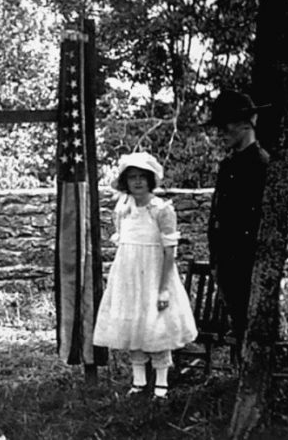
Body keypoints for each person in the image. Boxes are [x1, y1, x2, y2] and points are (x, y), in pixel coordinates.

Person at [93, 152, 198, 399]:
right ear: (125, 182)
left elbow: (169, 253)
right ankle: (138, 382)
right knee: (133, 326)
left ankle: (161, 384)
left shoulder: (161, 210)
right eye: (132, 178)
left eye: (142, 177)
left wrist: (163, 288)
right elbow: (124, 245)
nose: (137, 182)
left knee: (156, 327)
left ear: (150, 180)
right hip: (129, 277)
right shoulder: (123, 209)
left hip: (154, 276)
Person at [205, 89, 270, 348]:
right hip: (226, 258)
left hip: (248, 259)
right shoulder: (228, 165)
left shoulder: (261, 164)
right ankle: (238, 377)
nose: (222, 132)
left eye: (226, 124)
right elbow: (218, 213)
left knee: (249, 323)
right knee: (236, 321)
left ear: (246, 123)